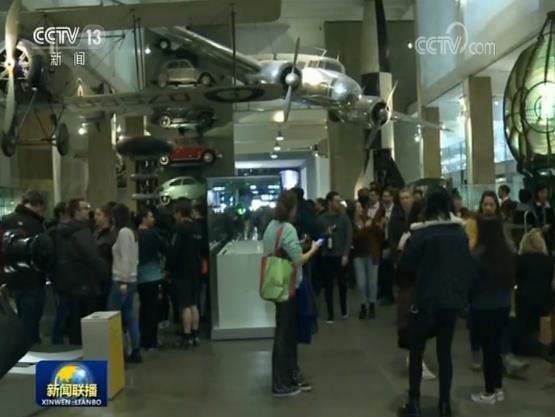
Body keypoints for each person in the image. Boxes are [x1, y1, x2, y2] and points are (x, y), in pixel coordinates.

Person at [398, 187, 475, 417]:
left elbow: (406, 265)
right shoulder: (460, 234)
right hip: (450, 300)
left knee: (417, 351)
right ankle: (444, 404)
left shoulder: (421, 235)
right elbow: (467, 266)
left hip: (424, 299)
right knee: (444, 353)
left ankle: (414, 403)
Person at [262, 190, 321, 397]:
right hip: (289, 285)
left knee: (285, 331)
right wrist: (313, 249)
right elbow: (298, 260)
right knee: (285, 334)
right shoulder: (288, 229)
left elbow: (277, 249)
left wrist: (298, 246)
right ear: (293, 208)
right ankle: (280, 382)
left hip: (277, 284)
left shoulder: (271, 226)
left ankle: (288, 377)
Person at [469, 216, 516, 405]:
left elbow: (471, 281)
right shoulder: (507, 253)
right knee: (496, 349)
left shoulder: (478, 254)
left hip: (482, 306)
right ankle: (498, 387)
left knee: (487, 350)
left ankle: (489, 392)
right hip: (503, 305)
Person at [51, 198, 108, 345]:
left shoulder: (58, 231)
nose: (89, 211)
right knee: (87, 326)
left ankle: (74, 350)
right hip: (85, 283)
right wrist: (106, 273)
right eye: (85, 208)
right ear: (76, 211)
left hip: (66, 284)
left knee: (73, 323)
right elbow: (92, 257)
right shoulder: (82, 232)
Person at [0, 190, 47, 344]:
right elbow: (40, 252)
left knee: (19, 319)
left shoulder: (6, 220)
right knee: (31, 322)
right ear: (38, 205)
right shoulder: (35, 224)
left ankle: (20, 348)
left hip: (12, 278)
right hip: (32, 279)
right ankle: (30, 349)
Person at [166, 199, 203, 348]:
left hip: (182, 271)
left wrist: (168, 268)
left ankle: (186, 336)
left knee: (185, 304)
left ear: (179, 213)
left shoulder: (178, 228)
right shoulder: (197, 228)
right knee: (194, 303)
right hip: (196, 269)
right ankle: (195, 334)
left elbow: (173, 250)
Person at [107, 204, 141, 363]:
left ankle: (119, 351)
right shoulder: (131, 232)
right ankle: (135, 348)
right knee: (129, 315)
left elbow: (126, 258)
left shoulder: (123, 233)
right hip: (130, 280)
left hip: (122, 280)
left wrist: (124, 280)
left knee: (112, 316)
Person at [515, 229, 555, 356]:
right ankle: (543, 347)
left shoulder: (519, 260)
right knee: (542, 323)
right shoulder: (549, 260)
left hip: (524, 298)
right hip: (545, 298)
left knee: (524, 324)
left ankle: (524, 348)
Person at [317, 191, 353, 323]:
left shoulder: (344, 218)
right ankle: (330, 314)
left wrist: (346, 254)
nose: (339, 204)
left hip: (340, 255)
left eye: (340, 201)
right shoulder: (321, 219)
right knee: (328, 285)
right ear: (330, 203)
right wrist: (324, 234)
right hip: (326, 255)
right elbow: (317, 237)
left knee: (342, 283)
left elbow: (349, 236)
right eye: (336, 201)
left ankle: (344, 309)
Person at [136, 209, 165, 350]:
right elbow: (165, 249)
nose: (153, 219)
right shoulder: (153, 235)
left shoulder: (135, 235)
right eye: (151, 216)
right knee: (153, 309)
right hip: (153, 276)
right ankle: (151, 341)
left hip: (139, 276)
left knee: (143, 308)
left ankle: (143, 339)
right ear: (144, 218)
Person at [350, 201, 382, 319]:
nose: (361, 208)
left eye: (361, 206)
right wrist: (365, 228)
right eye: (358, 206)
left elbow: (378, 234)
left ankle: (372, 305)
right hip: (358, 255)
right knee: (361, 283)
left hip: (372, 254)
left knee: (372, 282)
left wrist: (378, 226)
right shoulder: (351, 224)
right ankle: (363, 305)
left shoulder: (368, 219)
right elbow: (354, 239)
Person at [94, 203, 117, 308]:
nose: (95, 217)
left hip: (108, 277)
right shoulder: (95, 233)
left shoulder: (112, 236)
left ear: (106, 217)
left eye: (99, 215)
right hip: (97, 277)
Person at [378, 187, 396, 305]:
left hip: (391, 241)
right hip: (382, 241)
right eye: (384, 196)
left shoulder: (395, 210)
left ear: (392, 197)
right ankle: (384, 292)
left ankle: (389, 295)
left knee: (388, 269)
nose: (385, 198)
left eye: (387, 196)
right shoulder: (381, 210)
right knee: (383, 269)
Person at [534, 183, 555, 250]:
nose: (544, 195)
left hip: (549, 236)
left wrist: (549, 225)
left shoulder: (549, 206)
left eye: (546, 192)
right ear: (537, 193)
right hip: (536, 236)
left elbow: (553, 220)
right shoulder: (534, 206)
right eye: (541, 192)